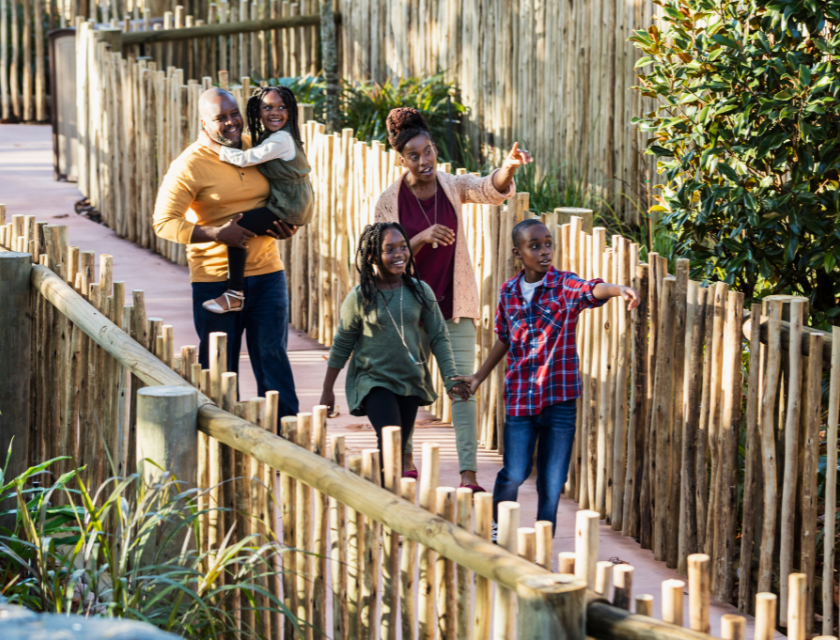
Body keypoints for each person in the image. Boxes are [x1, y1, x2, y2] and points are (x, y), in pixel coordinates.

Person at [374, 107, 533, 492]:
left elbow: (487, 188)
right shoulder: (389, 202)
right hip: (407, 310)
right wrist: (420, 238)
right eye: (414, 155)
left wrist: (508, 167)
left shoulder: (450, 185)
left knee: (463, 387)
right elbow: (381, 258)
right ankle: (406, 459)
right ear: (401, 160)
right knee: (405, 388)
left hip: (453, 306)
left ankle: (468, 475)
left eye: (428, 151)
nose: (424, 160)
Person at [454, 219, 640, 535]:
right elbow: (504, 337)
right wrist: (479, 376)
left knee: (552, 479)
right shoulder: (508, 291)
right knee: (515, 472)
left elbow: (591, 290)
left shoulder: (564, 285)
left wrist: (618, 289)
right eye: (535, 246)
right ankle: (498, 529)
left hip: (559, 399)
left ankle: (543, 541)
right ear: (518, 252)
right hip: (520, 398)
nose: (544, 251)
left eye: (548, 244)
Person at [153, 87, 299, 419]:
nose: (232, 122)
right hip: (215, 280)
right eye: (221, 118)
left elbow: (284, 196)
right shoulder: (189, 165)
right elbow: (163, 222)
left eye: (235, 113)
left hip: (267, 274)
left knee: (273, 359)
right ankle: (221, 443)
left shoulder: (257, 149)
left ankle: (287, 438)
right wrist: (217, 234)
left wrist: (287, 225)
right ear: (204, 123)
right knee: (219, 369)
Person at [319, 222, 471, 467]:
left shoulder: (420, 291)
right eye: (389, 249)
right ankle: (382, 487)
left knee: (397, 449)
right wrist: (328, 389)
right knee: (390, 438)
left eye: (403, 246)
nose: (399, 254)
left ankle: (383, 486)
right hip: (373, 380)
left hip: (409, 380)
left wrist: (450, 379)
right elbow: (342, 345)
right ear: (372, 257)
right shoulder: (360, 297)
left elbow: (439, 337)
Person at [199, 85, 314, 314]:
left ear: (291, 110)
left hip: (290, 205)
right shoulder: (272, 136)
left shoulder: (280, 139)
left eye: (282, 107)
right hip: (292, 202)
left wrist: (212, 145)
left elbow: (245, 159)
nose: (275, 112)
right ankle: (235, 293)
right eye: (267, 107)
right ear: (256, 111)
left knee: (236, 227)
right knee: (244, 226)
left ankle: (234, 294)